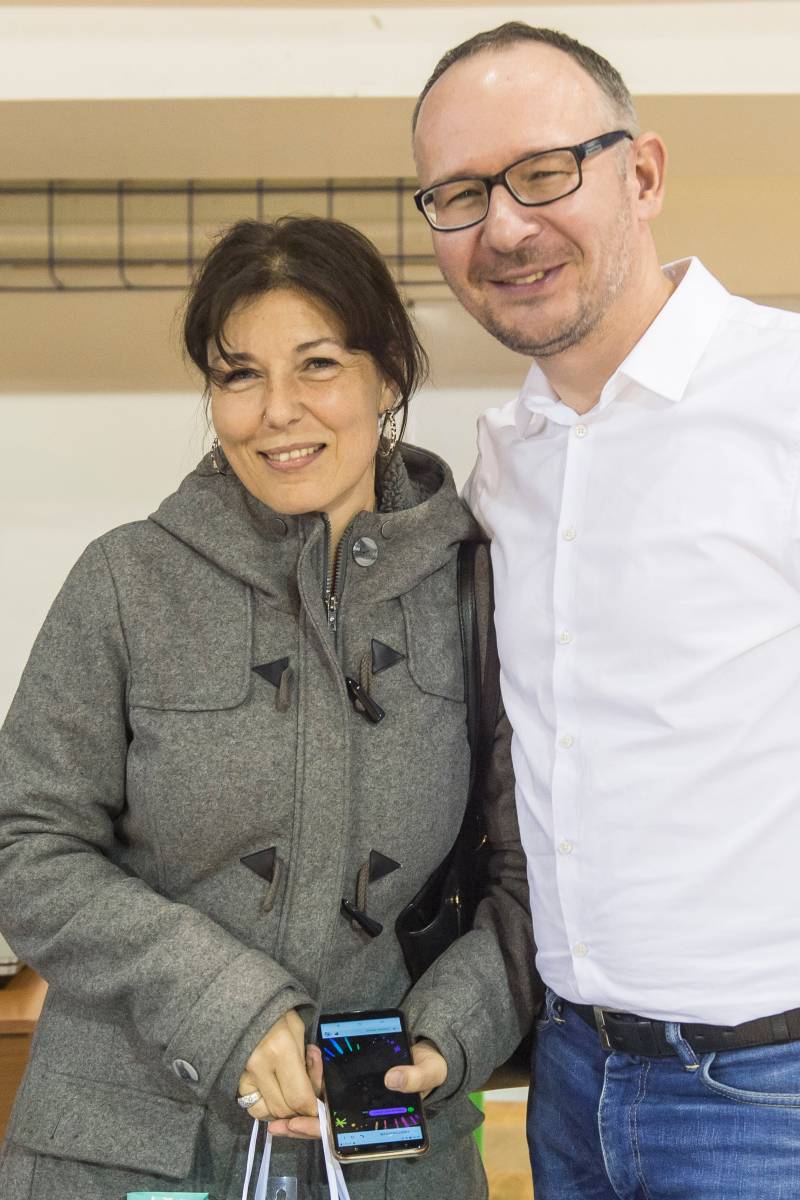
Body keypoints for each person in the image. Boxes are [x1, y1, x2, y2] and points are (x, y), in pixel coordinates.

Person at [0, 216, 537, 1200]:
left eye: (317, 364)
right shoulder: (126, 581)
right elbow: (23, 844)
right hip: (122, 1152)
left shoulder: (478, 591)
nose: (276, 412)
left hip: (389, 1150)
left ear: (388, 375)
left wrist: (445, 1035)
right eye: (238, 374)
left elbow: (532, 876)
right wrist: (222, 1002)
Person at [412, 20, 800, 1200]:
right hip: (567, 1080)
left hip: (768, 1091)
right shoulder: (500, 462)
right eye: (459, 194)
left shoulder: (782, 395)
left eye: (542, 172)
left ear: (642, 173)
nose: (503, 228)